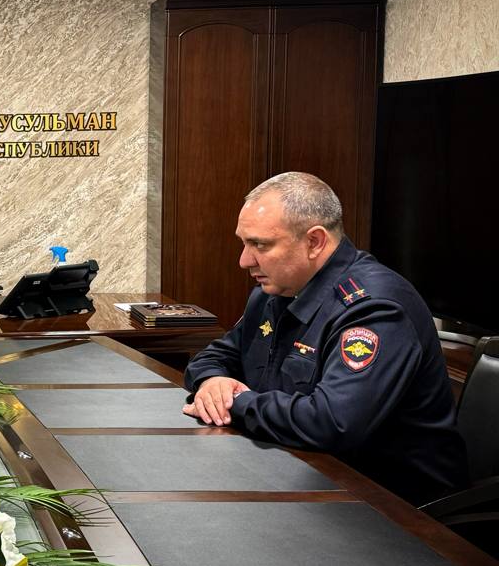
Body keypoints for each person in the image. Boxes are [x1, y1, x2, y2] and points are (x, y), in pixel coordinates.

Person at [182, 172, 466, 505]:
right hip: (300, 476)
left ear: (315, 242)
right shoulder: (276, 292)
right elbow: (214, 357)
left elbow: (332, 423)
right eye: (244, 243)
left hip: (394, 506)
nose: (244, 260)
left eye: (260, 245)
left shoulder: (374, 309)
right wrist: (213, 381)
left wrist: (236, 402)